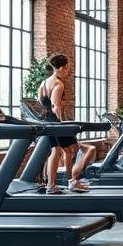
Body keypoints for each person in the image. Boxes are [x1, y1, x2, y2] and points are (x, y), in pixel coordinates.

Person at [38, 54, 97, 194]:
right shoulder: (58, 84)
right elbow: (56, 106)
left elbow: (40, 103)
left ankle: (51, 185)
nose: (68, 70)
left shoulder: (44, 83)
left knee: (56, 151)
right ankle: (72, 181)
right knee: (73, 149)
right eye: (67, 67)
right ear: (61, 68)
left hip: (47, 121)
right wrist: (62, 123)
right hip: (56, 123)